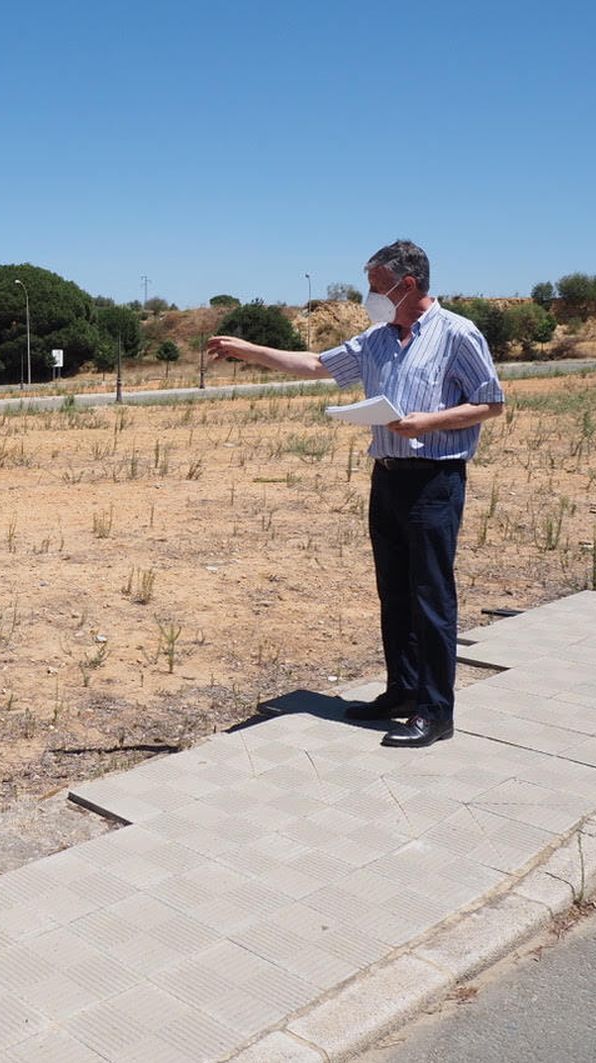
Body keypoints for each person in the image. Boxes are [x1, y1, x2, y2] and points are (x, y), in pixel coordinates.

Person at [205, 240, 505, 747]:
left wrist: (426, 422)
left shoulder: (458, 333)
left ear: (406, 284)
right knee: (394, 591)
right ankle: (402, 692)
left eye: (375, 286)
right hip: (387, 477)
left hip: (433, 480)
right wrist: (247, 351)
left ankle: (436, 710)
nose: (370, 295)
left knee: (431, 596)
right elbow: (313, 365)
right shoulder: (377, 339)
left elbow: (491, 402)